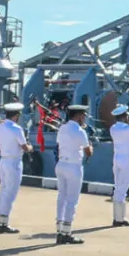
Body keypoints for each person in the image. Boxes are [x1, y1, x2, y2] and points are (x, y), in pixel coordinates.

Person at [54, 104, 93, 245]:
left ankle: (59, 230)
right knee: (72, 200)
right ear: (79, 115)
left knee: (62, 198)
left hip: (61, 164)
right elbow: (88, 152)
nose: (84, 118)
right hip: (73, 166)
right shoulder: (80, 131)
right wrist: (90, 146)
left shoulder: (62, 128)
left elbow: (60, 144)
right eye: (83, 115)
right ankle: (67, 232)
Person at [0, 103, 31, 234]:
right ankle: (3, 223)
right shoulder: (16, 129)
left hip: (3, 160)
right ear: (16, 115)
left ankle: (0, 220)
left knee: (3, 190)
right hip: (14, 162)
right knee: (11, 192)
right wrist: (30, 147)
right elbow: (25, 147)